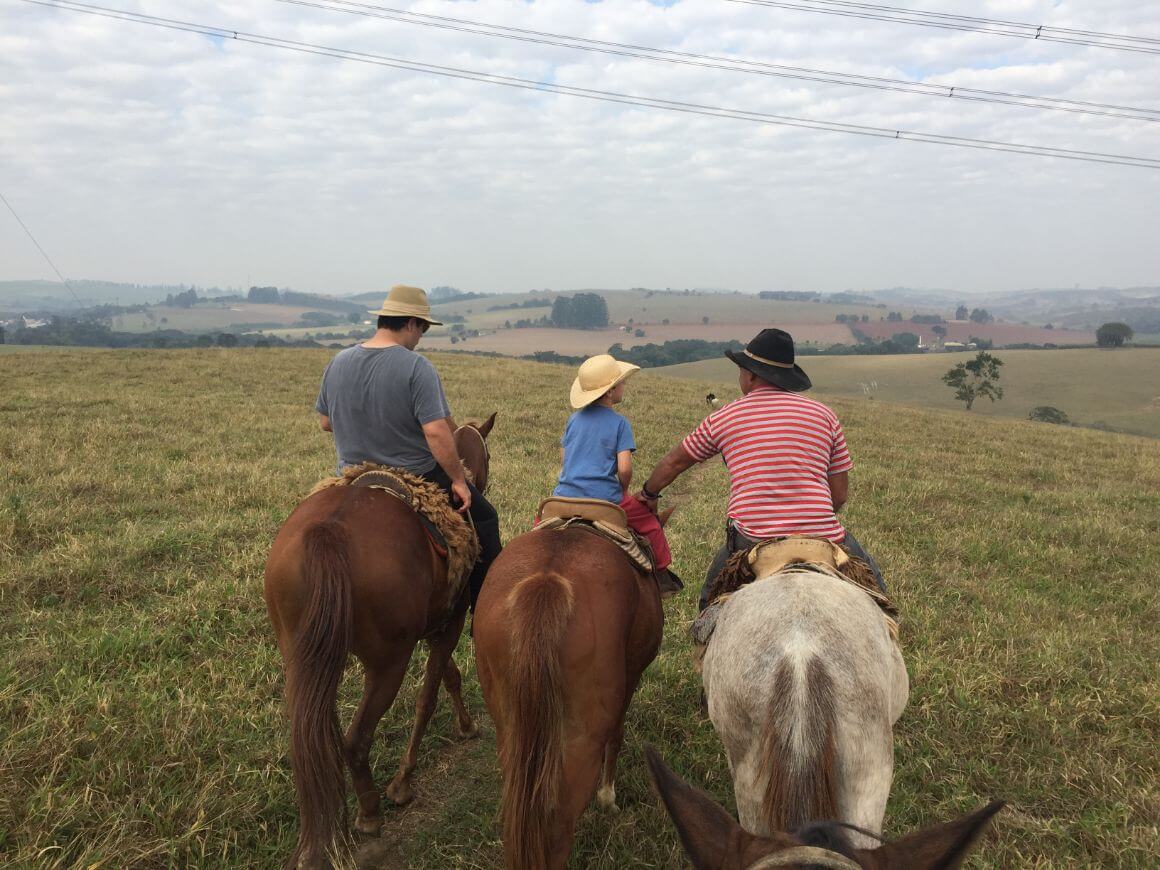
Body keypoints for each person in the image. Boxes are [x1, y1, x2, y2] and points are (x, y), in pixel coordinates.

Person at [634, 328, 884, 609]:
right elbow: (838, 496)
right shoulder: (825, 415)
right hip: (822, 534)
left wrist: (648, 492)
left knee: (709, 604)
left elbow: (674, 462)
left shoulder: (724, 417)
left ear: (750, 374)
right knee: (878, 595)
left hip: (751, 537)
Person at [314, 283, 502, 611]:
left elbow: (325, 422)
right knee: (485, 518)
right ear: (412, 323)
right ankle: (484, 609)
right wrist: (458, 480)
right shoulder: (417, 367)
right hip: (413, 474)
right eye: (423, 330)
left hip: (350, 474)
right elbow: (437, 433)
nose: (420, 339)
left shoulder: (338, 361)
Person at [553, 354, 681, 594]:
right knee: (650, 524)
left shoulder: (573, 419)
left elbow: (564, 458)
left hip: (564, 495)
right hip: (605, 498)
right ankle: (662, 574)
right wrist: (623, 488)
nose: (625, 385)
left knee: (541, 526)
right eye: (621, 382)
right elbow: (624, 468)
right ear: (610, 391)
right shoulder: (620, 423)